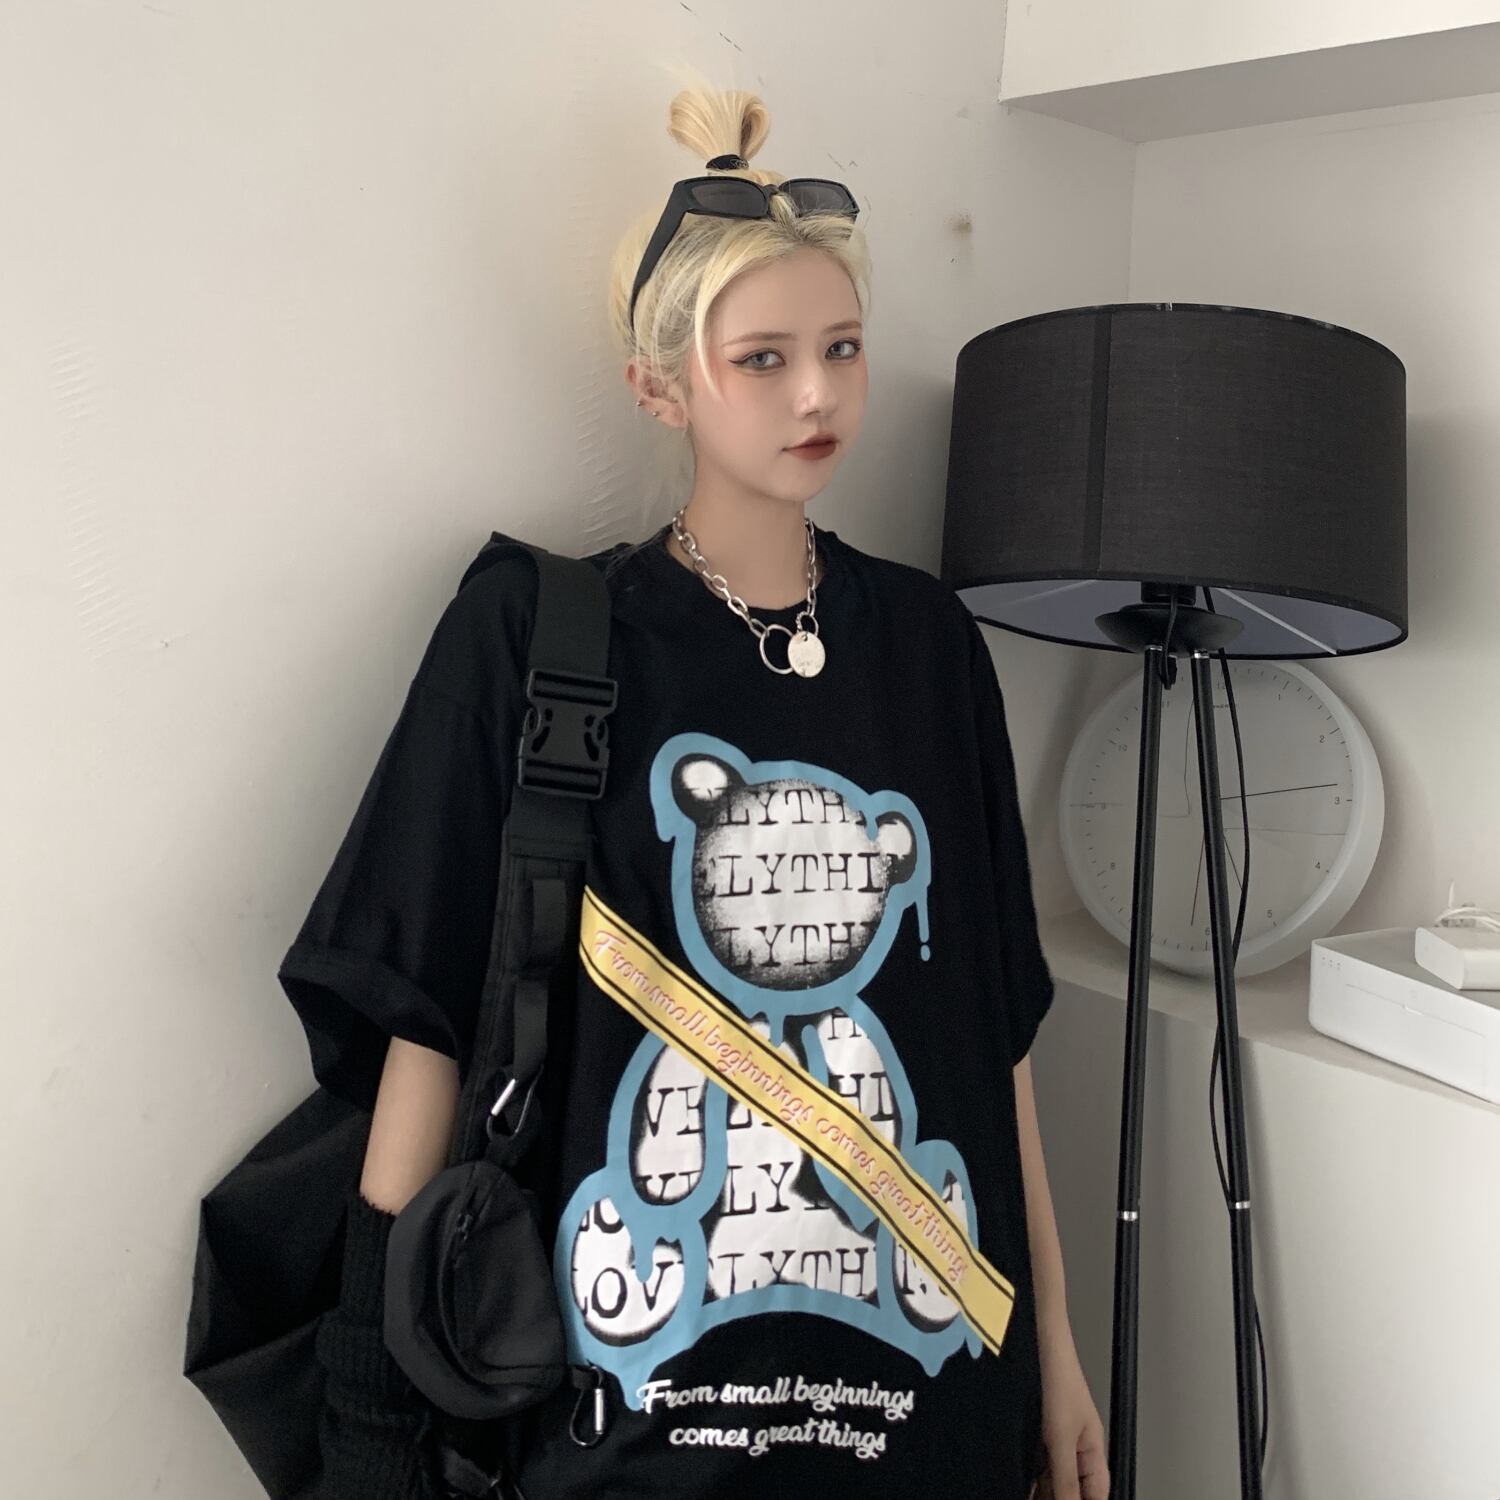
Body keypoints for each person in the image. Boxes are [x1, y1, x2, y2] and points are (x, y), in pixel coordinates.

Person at [280, 82, 1109, 1500]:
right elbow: (430, 1010)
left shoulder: (929, 645)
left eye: (841, 348)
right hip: (631, 1434)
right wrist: (369, 1396)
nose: (816, 395)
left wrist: (1056, 1352)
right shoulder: (538, 637)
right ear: (659, 386)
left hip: (926, 1416)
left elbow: (994, 1028)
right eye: (762, 359)